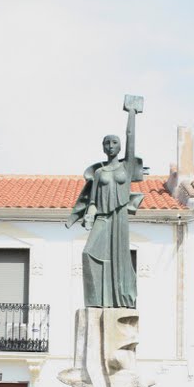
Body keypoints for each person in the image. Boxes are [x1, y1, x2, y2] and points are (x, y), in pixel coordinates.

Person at [67, 99, 145, 308]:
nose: (110, 146)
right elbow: (92, 201)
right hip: (102, 216)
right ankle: (96, 300)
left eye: (114, 143)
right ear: (103, 147)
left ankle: (120, 298)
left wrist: (132, 114)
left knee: (119, 258)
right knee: (89, 253)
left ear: (119, 147)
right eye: (107, 143)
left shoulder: (126, 168)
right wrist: (89, 216)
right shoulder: (99, 173)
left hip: (119, 216)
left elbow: (131, 139)